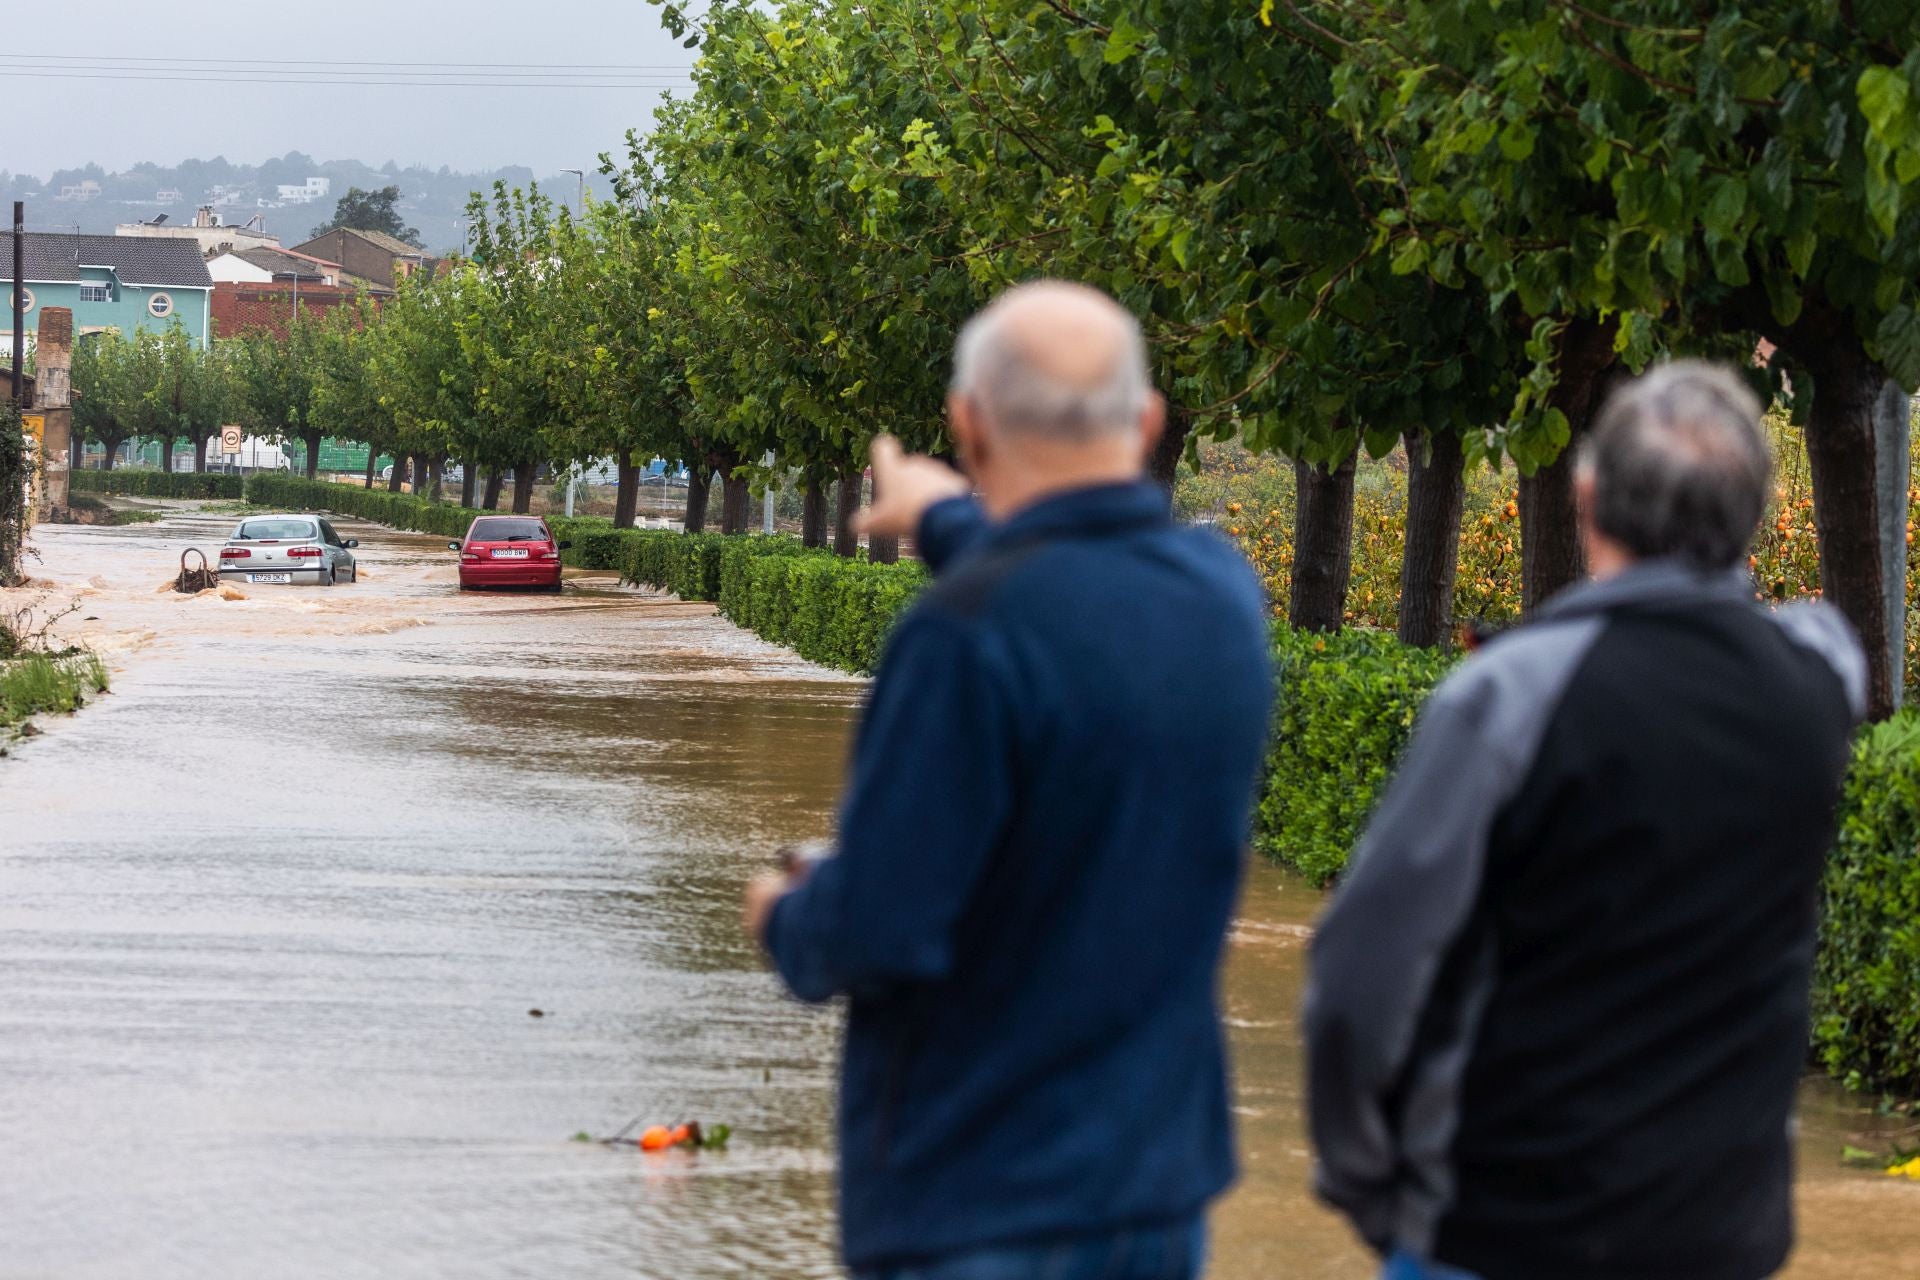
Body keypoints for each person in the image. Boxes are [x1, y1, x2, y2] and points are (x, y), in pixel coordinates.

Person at [743, 281, 1273, 1280]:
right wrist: (945, 516)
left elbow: (881, 927)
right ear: (1149, 419)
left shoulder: (960, 636)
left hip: (977, 1198)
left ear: (968, 422)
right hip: (1156, 1192)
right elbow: (1083, 587)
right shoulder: (1219, 596)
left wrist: (784, 913)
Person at [1302, 361, 1866, 1280]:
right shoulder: (1817, 681)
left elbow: (1360, 976)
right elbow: (1820, 629)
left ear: (1588, 496)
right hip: (1722, 1237)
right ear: (1754, 518)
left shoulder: (1510, 693)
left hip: (1503, 1228)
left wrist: (1367, 1182)